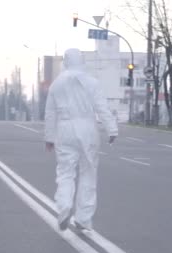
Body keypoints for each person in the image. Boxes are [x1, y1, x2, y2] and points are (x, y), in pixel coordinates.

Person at [44, 48, 118, 232]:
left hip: (64, 128)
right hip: (87, 129)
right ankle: (83, 218)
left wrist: (49, 137)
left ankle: (63, 206)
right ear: (81, 61)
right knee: (88, 173)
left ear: (66, 61)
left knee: (65, 172)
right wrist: (112, 129)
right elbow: (102, 107)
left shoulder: (56, 84)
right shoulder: (92, 82)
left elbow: (50, 113)